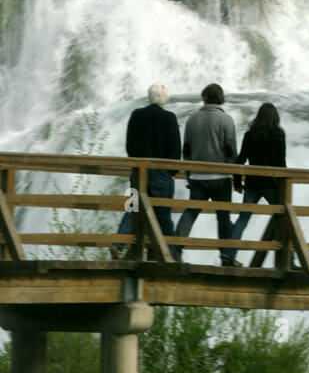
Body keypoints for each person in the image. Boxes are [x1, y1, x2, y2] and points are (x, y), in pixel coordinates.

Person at [112, 83, 181, 259]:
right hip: (161, 174)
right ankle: (169, 256)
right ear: (164, 98)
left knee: (132, 209)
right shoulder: (170, 118)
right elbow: (175, 151)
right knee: (163, 215)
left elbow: (130, 145)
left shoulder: (136, 115)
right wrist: (171, 172)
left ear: (149, 96)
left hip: (138, 172)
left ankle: (118, 244)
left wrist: (136, 164)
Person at [175, 84, 238, 266]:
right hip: (221, 177)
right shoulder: (226, 120)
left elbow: (185, 150)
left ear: (204, 97)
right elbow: (231, 150)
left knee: (190, 213)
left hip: (197, 178)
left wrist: (189, 174)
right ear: (220, 98)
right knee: (223, 217)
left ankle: (176, 250)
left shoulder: (192, 119)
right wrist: (232, 174)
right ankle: (225, 256)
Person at [229, 103, 287, 267]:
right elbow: (281, 164)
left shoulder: (250, 135)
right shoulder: (279, 135)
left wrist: (237, 182)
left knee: (242, 220)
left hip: (253, 183)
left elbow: (240, 160)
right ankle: (290, 260)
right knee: (283, 220)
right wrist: (284, 185)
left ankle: (228, 254)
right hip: (270, 184)